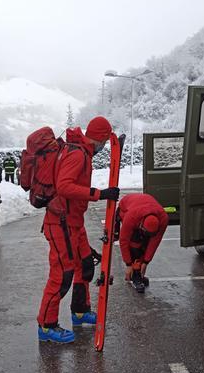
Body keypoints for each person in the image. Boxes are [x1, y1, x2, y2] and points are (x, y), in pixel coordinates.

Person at [38, 116, 119, 343]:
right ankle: (46, 325)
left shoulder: (82, 151)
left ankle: (80, 311)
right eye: (106, 140)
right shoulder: (77, 154)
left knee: (84, 265)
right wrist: (99, 194)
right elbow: (64, 186)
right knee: (61, 275)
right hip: (60, 223)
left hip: (74, 222)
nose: (105, 146)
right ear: (101, 138)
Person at [116, 193, 168, 293]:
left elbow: (155, 241)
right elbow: (123, 241)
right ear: (141, 225)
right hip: (125, 206)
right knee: (135, 243)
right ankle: (135, 274)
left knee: (145, 244)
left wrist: (146, 262)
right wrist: (128, 264)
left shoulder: (163, 219)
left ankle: (138, 271)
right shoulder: (131, 217)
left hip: (142, 205)